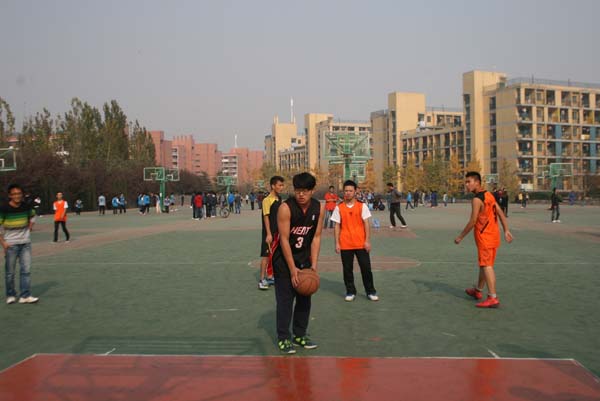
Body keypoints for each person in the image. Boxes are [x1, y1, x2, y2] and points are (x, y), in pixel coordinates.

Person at [271, 172, 325, 354]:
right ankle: (283, 337)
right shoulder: (285, 208)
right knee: (285, 302)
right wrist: (292, 268)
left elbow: (316, 237)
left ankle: (300, 334)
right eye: (298, 191)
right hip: (283, 261)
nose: (301, 194)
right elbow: (284, 239)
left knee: (304, 298)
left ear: (312, 191)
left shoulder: (318, 208)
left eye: (305, 191)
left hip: (304, 259)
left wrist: (313, 266)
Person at [454, 172, 513, 308]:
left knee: (487, 266)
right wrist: (506, 229)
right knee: (484, 264)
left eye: (469, 182)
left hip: (485, 237)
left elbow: (473, 221)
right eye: (466, 182)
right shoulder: (488, 195)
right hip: (493, 236)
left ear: (477, 182)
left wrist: (460, 236)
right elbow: (500, 212)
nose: (466, 185)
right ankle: (478, 291)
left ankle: (493, 297)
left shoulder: (477, 200)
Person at [331, 180, 378, 302]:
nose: (348, 193)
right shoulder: (339, 207)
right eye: (346, 191)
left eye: (350, 191)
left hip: (361, 243)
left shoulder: (362, 206)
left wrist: (367, 241)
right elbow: (337, 226)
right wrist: (337, 243)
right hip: (345, 243)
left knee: (366, 268)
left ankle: (370, 291)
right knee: (347, 270)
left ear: (355, 191)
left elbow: (366, 224)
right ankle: (350, 291)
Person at [1, 184, 39, 304]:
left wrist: (30, 227)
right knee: (10, 272)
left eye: (19, 193)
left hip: (25, 243)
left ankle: (25, 295)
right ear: (10, 195)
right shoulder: (4, 208)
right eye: (14, 194)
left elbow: (33, 216)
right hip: (10, 244)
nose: (17, 196)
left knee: (26, 270)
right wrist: (3, 243)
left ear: (22, 195)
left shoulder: (26, 206)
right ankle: (11, 294)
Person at [259, 176, 285, 290]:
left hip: (278, 232)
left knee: (275, 255)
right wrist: (269, 234)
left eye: (282, 185)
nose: (281, 187)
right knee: (266, 256)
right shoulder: (267, 200)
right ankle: (262, 279)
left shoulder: (279, 199)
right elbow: (266, 217)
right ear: (273, 186)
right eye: (279, 185)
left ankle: (270, 277)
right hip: (269, 233)